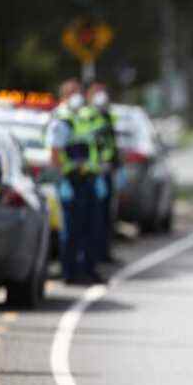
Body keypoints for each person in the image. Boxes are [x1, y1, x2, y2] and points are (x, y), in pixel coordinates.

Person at [46, 79, 104, 284]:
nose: (77, 96)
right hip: (72, 181)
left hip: (87, 179)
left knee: (91, 227)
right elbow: (55, 153)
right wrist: (62, 180)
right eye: (72, 93)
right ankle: (69, 272)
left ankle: (88, 269)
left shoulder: (80, 117)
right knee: (72, 230)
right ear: (64, 96)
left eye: (78, 92)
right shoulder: (61, 120)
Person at [86, 82, 120, 263]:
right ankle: (96, 255)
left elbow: (112, 145)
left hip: (108, 172)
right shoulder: (88, 117)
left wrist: (117, 166)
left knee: (107, 216)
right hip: (96, 173)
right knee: (96, 218)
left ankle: (105, 253)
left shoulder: (107, 116)